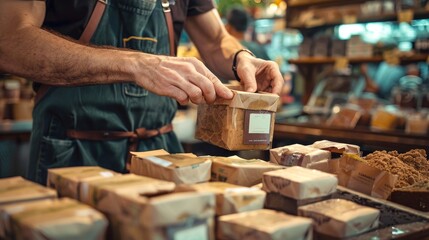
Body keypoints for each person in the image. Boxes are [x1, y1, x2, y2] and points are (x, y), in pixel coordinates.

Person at [0, 0, 283, 183]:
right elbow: (9, 39)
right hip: (73, 153)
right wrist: (137, 63)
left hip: (160, 152)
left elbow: (215, 39)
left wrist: (241, 57)